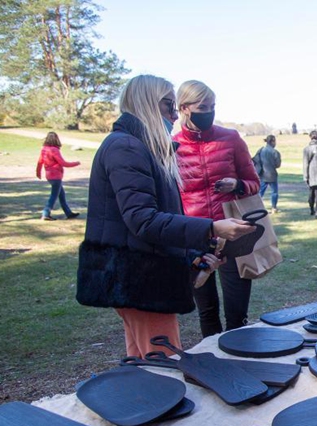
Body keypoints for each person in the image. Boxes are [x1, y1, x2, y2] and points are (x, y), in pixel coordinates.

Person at [76, 74, 254, 358]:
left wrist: (194, 255)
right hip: (141, 279)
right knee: (163, 366)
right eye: (168, 105)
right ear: (147, 103)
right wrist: (212, 228)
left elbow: (155, 217)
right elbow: (143, 220)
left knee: (143, 362)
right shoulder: (127, 147)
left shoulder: (135, 146)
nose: (173, 115)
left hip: (141, 275)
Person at [173, 80, 261, 338]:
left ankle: (239, 353)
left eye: (212, 106)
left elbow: (254, 182)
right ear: (184, 108)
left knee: (237, 312)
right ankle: (213, 357)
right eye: (203, 107)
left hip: (233, 234)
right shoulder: (172, 146)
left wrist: (238, 185)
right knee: (207, 311)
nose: (209, 112)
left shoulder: (230, 138)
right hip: (195, 235)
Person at [36, 132, 81, 220]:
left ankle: (68, 213)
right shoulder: (54, 150)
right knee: (53, 196)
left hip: (49, 176)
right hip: (56, 176)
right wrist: (76, 163)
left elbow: (40, 162)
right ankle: (46, 213)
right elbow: (63, 163)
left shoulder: (44, 149)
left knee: (61, 195)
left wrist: (38, 173)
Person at [253, 134, 282, 213]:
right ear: (272, 141)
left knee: (260, 192)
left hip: (262, 174)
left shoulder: (261, 150)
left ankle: (256, 207)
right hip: (272, 174)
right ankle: (274, 208)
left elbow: (255, 160)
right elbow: (278, 165)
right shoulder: (275, 152)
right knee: (274, 192)